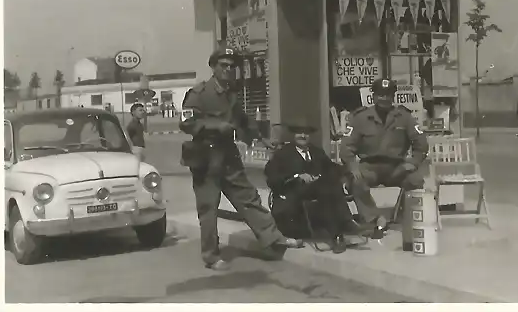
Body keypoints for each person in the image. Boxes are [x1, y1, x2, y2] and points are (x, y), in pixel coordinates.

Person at [179, 47, 302, 271]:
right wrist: (216, 125)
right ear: (213, 67)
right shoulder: (199, 93)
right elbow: (186, 123)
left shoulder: (232, 92)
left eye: (231, 66)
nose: (228, 69)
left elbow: (244, 121)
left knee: (248, 197)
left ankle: (273, 239)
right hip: (206, 158)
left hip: (228, 155)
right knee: (209, 208)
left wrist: (261, 139)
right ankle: (211, 255)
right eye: (223, 65)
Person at [340, 78, 429, 236]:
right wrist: (353, 166)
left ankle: (403, 217)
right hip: (370, 166)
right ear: (373, 96)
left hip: (396, 167)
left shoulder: (404, 117)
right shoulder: (360, 118)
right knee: (356, 181)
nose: (384, 98)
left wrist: (413, 162)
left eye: (388, 95)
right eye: (380, 95)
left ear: (393, 96)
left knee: (415, 180)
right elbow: (347, 146)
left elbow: (421, 143)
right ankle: (374, 220)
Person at [265, 120, 361, 254]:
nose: (303, 136)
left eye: (306, 133)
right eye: (299, 132)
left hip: (318, 190)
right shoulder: (283, 154)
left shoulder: (317, 152)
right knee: (327, 187)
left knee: (329, 185)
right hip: (294, 192)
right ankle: (342, 226)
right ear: (294, 135)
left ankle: (341, 229)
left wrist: (347, 172)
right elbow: (272, 176)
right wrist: (297, 176)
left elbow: (331, 167)